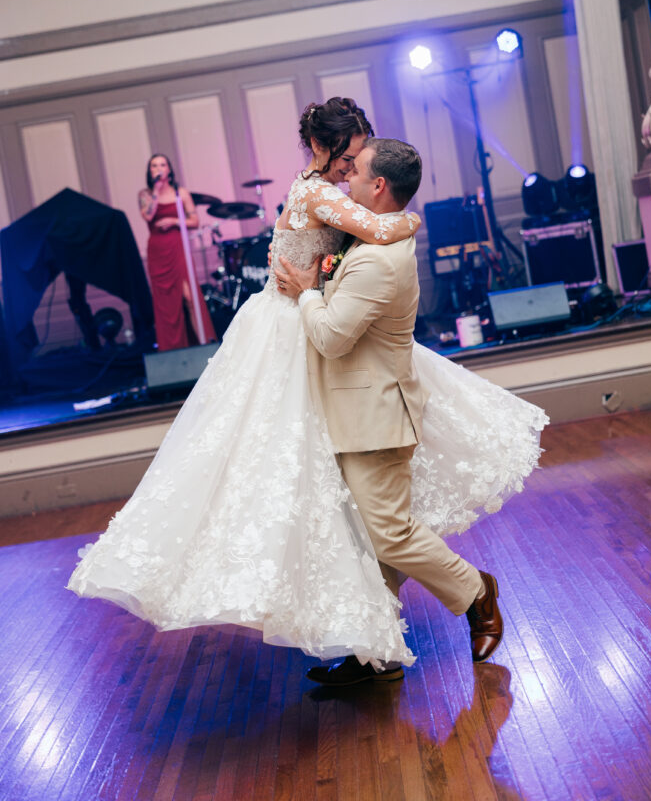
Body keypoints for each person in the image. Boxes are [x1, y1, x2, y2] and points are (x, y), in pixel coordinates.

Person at [68, 100, 421, 668]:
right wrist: (413, 219)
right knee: (291, 465)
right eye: (350, 153)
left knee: (319, 473)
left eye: (359, 156)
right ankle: (349, 620)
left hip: (298, 319)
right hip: (291, 328)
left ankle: (363, 622)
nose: (353, 165)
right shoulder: (316, 192)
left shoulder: (312, 186)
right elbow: (381, 227)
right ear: (324, 147)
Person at [276, 138, 546, 685]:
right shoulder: (370, 240)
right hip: (358, 410)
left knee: (390, 535)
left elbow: (330, 337)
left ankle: (475, 591)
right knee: (367, 538)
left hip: (373, 416)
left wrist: (307, 292)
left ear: (379, 186)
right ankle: (375, 652)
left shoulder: (377, 262)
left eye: (356, 173)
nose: (345, 179)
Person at [139, 154, 214, 351]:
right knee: (166, 304)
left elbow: (194, 221)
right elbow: (147, 215)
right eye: (154, 166)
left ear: (169, 169)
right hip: (157, 250)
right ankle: (172, 350)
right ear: (150, 171)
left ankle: (203, 344)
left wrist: (173, 222)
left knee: (189, 297)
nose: (159, 168)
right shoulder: (145, 194)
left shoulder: (181, 193)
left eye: (162, 164)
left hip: (177, 247)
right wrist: (156, 190)